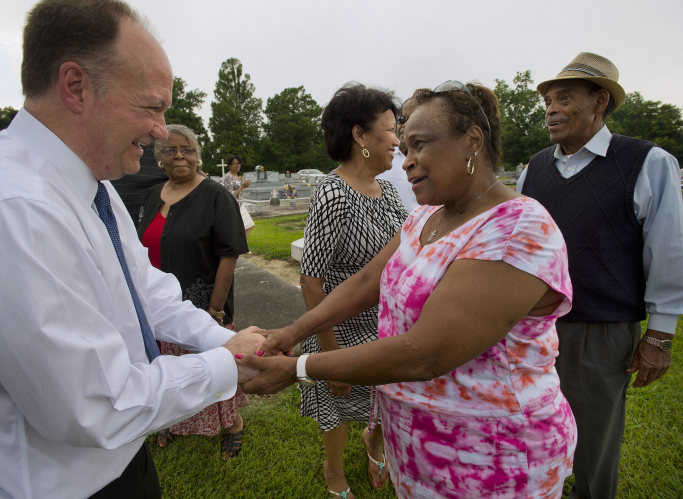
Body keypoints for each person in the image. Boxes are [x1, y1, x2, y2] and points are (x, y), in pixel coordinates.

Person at [0, 2, 262, 498]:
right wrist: (228, 365)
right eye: (151, 106)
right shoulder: (11, 207)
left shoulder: (93, 182)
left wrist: (220, 339)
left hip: (120, 461)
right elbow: (95, 404)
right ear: (75, 87)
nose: (161, 130)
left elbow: (146, 292)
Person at [238, 82, 578, 498]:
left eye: (419, 145)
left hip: (491, 457)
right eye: (405, 147)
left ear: (472, 140)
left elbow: (425, 353)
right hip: (418, 447)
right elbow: (366, 282)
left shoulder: (516, 229)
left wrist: (298, 368)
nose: (407, 161)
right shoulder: (427, 217)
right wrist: (291, 333)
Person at [515, 52, 683, 499]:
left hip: (601, 330)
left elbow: (667, 252)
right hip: (533, 329)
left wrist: (660, 336)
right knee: (530, 435)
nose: (552, 109)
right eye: (549, 101)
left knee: (592, 446)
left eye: (565, 98)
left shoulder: (647, 162)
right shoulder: (534, 169)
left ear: (600, 102)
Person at [297, 83, 408, 498]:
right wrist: (332, 353)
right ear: (359, 135)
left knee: (382, 396)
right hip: (339, 329)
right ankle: (333, 470)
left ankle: (373, 441)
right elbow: (311, 279)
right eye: (390, 129)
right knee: (339, 409)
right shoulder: (333, 193)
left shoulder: (390, 192)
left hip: (382, 327)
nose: (397, 139)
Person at [137, 124, 249, 458]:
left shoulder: (216, 196)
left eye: (186, 149)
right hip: (158, 309)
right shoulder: (150, 196)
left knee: (214, 372)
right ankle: (175, 421)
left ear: (198, 154)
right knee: (169, 373)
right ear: (159, 158)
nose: (179, 156)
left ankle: (232, 424)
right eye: (169, 150)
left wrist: (214, 311)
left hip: (202, 309)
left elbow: (229, 256)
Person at [376, 97, 420, 213]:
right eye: (401, 119)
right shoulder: (379, 157)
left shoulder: (437, 161)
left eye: (412, 118)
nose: (404, 125)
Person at [222, 154, 255, 242]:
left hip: (240, 205)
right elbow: (230, 194)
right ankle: (239, 248)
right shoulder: (228, 177)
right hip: (233, 206)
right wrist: (243, 187)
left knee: (250, 225)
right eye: (235, 163)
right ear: (229, 165)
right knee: (240, 228)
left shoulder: (237, 177)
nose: (237, 165)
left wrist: (244, 185)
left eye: (239, 163)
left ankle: (242, 247)